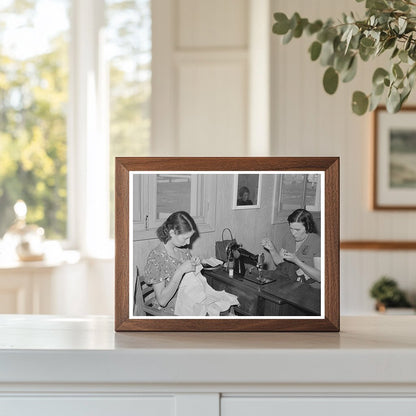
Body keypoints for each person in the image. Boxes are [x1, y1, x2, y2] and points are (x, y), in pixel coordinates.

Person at [144, 211, 200, 314]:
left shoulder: (183, 251)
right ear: (172, 233)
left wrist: (195, 265)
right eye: (185, 238)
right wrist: (180, 271)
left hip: (187, 303)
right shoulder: (156, 258)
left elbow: (190, 282)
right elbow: (162, 301)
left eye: (190, 237)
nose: (188, 242)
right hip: (169, 312)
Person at [261, 208, 321, 283]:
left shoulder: (317, 242)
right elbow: (280, 263)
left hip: (309, 286)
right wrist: (272, 249)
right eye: (291, 228)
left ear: (307, 227)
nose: (293, 233)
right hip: (290, 281)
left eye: (297, 230)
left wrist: (297, 261)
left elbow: (320, 277)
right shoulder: (288, 237)